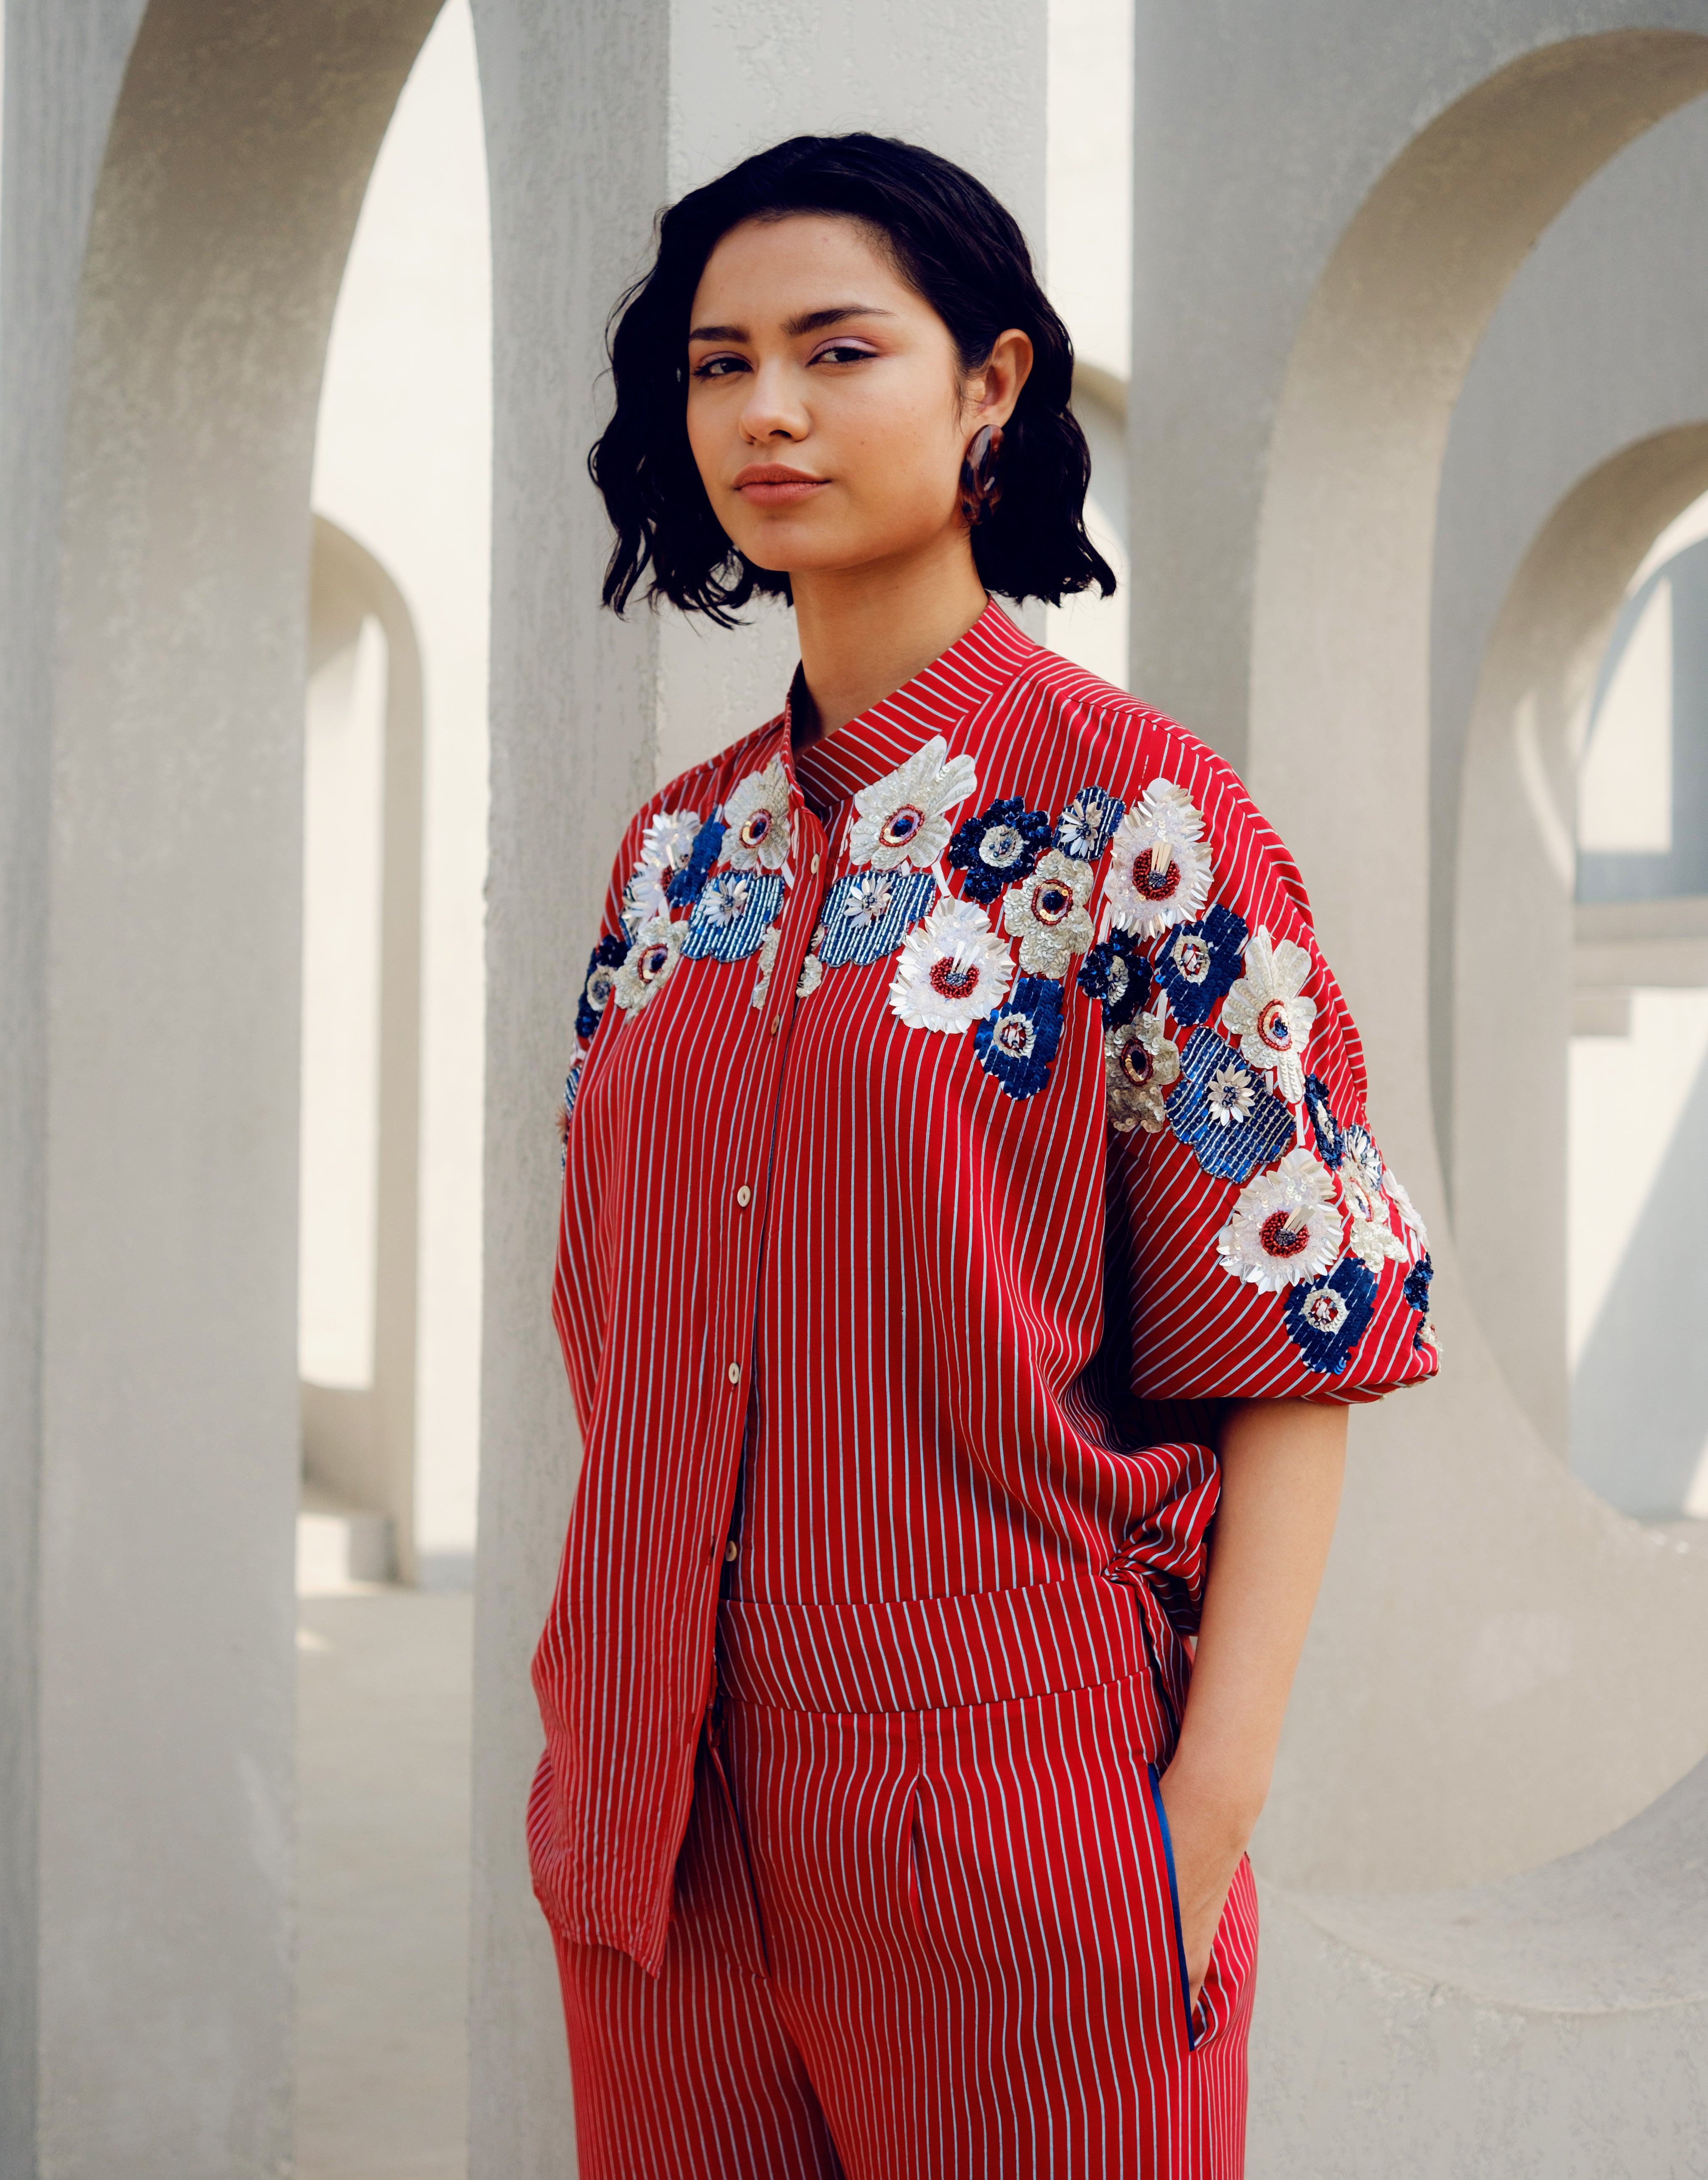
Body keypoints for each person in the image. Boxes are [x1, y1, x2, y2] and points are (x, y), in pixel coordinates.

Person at [530, 133, 1438, 2180]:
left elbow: (1292, 1332)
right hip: (653, 1826)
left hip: (1016, 1813)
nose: (765, 410)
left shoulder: (1142, 822)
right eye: (717, 364)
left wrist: (1197, 1818)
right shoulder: (674, 858)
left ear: (990, 387)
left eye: (835, 350)